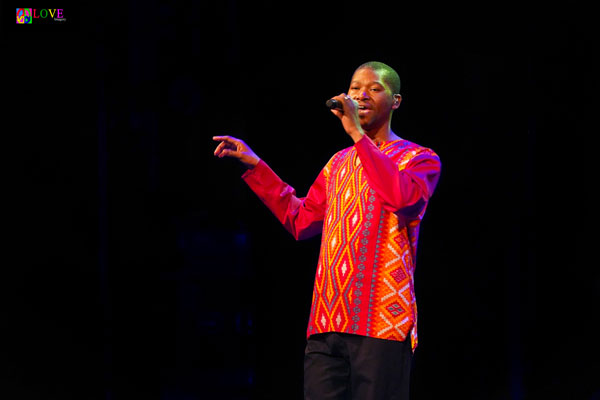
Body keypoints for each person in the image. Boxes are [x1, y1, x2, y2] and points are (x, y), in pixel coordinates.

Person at [213, 61, 441, 400]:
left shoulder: (420, 159)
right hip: (326, 325)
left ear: (396, 101)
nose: (361, 95)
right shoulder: (338, 164)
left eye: (374, 88)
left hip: (381, 325)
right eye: (354, 88)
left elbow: (401, 198)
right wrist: (256, 166)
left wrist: (358, 137)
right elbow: (301, 220)